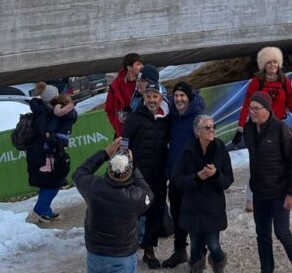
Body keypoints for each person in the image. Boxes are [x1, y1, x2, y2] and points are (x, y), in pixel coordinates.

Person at [243, 91, 292, 273]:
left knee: (281, 231)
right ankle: (267, 269)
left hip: (279, 192)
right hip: (259, 192)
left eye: (256, 108)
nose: (252, 112)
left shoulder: (281, 130)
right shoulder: (248, 129)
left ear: (267, 109)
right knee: (262, 234)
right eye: (250, 108)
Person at [73, 136, 154, 273]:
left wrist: (104, 154)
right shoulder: (134, 197)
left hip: (95, 253)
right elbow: (148, 194)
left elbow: (79, 173)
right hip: (122, 256)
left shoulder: (93, 188)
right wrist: (132, 165)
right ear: (128, 174)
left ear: (109, 169)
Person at [173, 113, 234, 273]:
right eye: (207, 127)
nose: (212, 130)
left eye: (214, 126)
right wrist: (197, 177)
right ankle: (196, 268)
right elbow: (178, 180)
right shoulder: (187, 150)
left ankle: (219, 263)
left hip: (213, 209)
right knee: (195, 246)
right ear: (197, 131)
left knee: (214, 245)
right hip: (192, 208)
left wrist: (216, 175)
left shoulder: (220, 149)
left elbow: (228, 179)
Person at [122, 79, 171, 268]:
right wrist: (126, 168)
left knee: (155, 213)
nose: (152, 100)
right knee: (133, 213)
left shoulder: (167, 118)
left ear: (161, 98)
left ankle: (149, 250)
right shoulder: (134, 118)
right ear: (144, 97)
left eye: (155, 96)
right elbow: (124, 143)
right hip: (138, 175)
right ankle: (127, 249)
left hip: (159, 174)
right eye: (148, 96)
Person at [164, 81, 206, 268]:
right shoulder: (172, 116)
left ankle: (199, 256)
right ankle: (180, 251)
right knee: (177, 215)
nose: (179, 99)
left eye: (182, 95)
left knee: (195, 217)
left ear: (189, 97)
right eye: (176, 95)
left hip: (193, 177)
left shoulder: (198, 118)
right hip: (175, 175)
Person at [233, 46, 292, 141]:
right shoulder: (256, 82)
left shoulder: (284, 81)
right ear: (263, 65)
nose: (273, 65)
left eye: (275, 62)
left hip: (280, 125)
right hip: (262, 127)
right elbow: (247, 105)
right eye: (269, 62)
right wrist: (240, 128)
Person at [25, 82, 70, 225]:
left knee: (49, 183)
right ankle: (40, 210)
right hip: (42, 155)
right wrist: (60, 141)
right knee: (52, 184)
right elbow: (46, 135)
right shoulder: (44, 115)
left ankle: (45, 209)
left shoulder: (45, 111)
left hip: (43, 154)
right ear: (53, 98)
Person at [40, 90, 79, 173]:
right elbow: (74, 119)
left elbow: (54, 123)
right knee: (59, 152)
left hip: (58, 134)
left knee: (47, 147)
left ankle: (49, 165)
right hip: (66, 135)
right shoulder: (73, 111)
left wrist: (48, 131)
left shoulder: (58, 113)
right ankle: (59, 163)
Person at [106, 52, 143, 135]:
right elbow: (109, 110)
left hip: (142, 130)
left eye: (141, 64)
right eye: (138, 64)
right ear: (129, 68)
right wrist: (118, 128)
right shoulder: (115, 86)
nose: (142, 67)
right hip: (124, 132)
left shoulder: (144, 82)